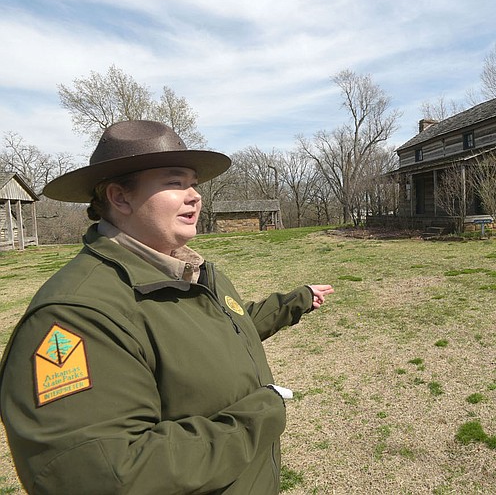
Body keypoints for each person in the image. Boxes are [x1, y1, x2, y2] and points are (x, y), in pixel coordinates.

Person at [0, 120, 333, 494]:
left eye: (194, 183)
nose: (194, 196)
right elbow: (101, 475)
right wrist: (261, 414)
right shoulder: (77, 315)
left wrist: (296, 301)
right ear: (120, 197)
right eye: (175, 183)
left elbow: (226, 325)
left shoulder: (193, 272)